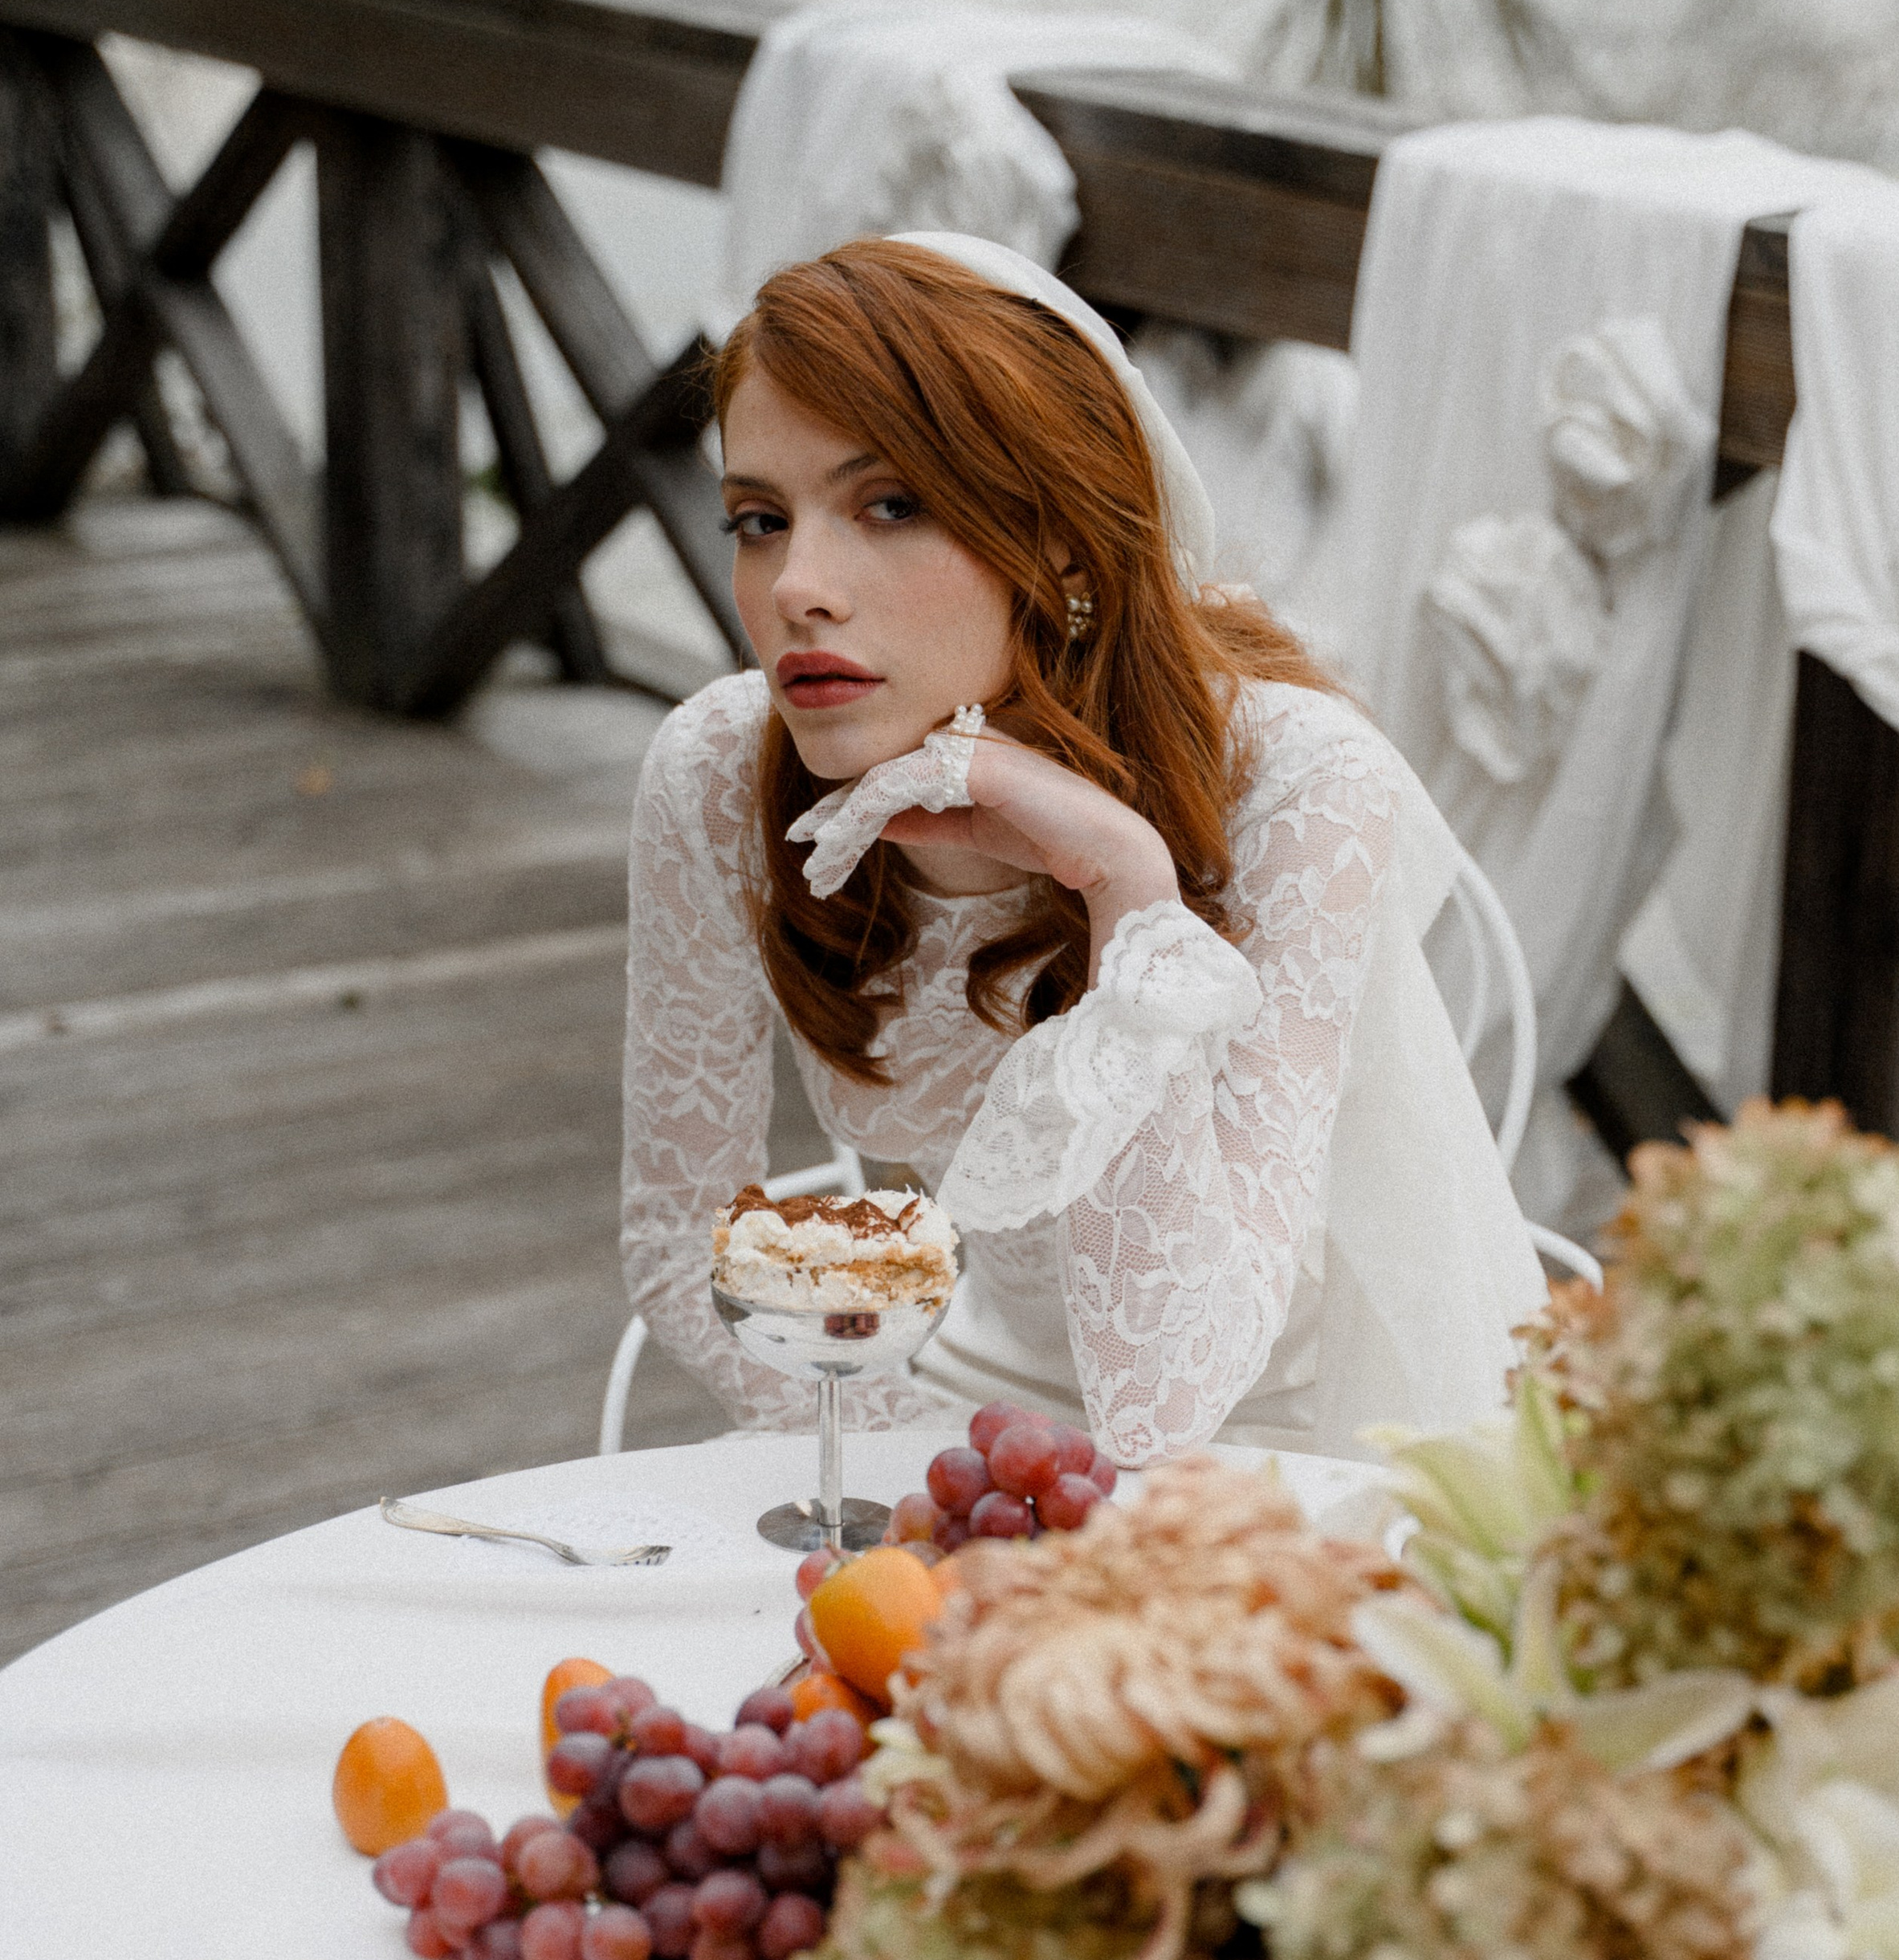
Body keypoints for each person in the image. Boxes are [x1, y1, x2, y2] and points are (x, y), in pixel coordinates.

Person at [621, 233, 1543, 1464]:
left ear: (1059, 539)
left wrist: (1124, 887)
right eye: (759, 519)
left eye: (890, 505)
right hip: (956, 1397)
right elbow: (681, 1243)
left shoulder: (1297, 781)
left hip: (1301, 1430)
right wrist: (916, 1466)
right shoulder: (719, 769)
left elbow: (1165, 1398)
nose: (797, 586)